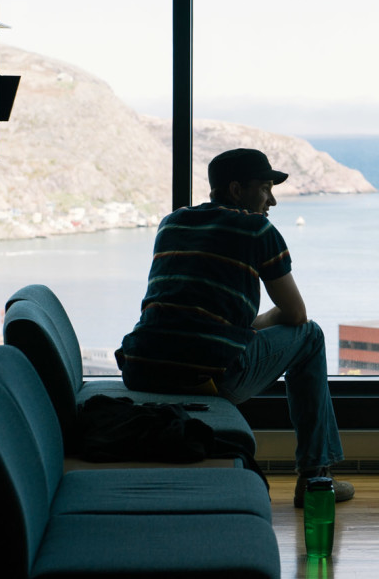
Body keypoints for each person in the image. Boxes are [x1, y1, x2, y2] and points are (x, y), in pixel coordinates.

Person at [118, 147, 354, 507]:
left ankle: (316, 476)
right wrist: (256, 325)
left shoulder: (172, 223)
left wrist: (243, 327)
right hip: (205, 376)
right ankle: (315, 478)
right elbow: (295, 314)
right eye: (265, 189)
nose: (272, 200)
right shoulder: (256, 229)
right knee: (312, 336)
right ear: (235, 189)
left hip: (140, 370)